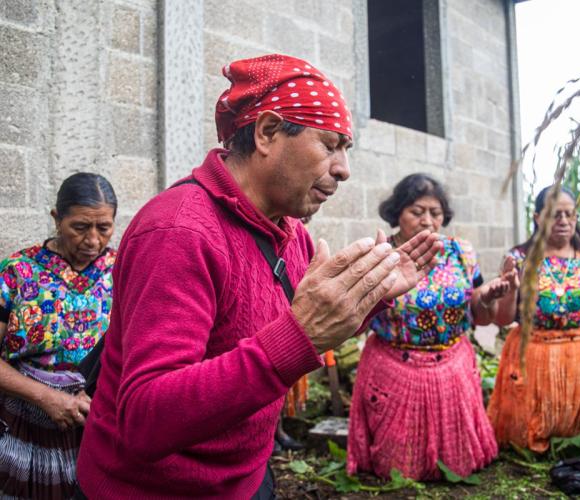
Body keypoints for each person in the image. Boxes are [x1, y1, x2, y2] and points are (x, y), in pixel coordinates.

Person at [75, 54, 441, 499]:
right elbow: (146, 419)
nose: (344, 169)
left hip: (245, 479)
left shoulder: (289, 232)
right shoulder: (179, 232)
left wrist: (367, 298)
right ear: (268, 132)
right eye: (330, 146)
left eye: (346, 150)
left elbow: (307, 329)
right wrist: (297, 337)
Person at [347, 173, 513, 480]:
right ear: (398, 213)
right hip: (395, 368)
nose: (427, 221)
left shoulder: (460, 253)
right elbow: (357, 317)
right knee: (396, 468)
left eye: (435, 213)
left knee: (456, 464)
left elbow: (478, 311)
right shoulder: (380, 255)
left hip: (452, 366)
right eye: (416, 211)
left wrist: (486, 296)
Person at [0, 173, 117, 498]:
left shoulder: (121, 270)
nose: (93, 240)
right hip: (26, 432)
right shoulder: (17, 273)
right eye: (80, 227)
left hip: (98, 428)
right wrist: (47, 397)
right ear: (57, 218)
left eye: (103, 228)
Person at [487, 185, 580, 452]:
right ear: (538, 217)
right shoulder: (519, 260)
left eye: (570, 214)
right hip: (533, 353)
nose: (563, 221)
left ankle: (579, 444)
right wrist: (512, 288)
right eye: (555, 214)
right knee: (526, 434)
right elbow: (504, 319)